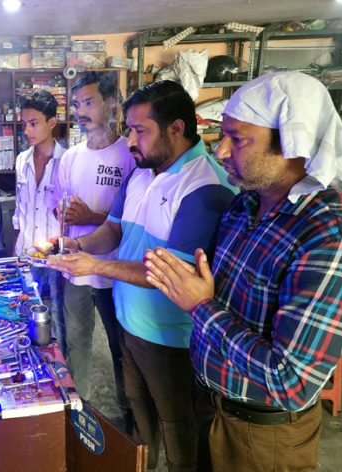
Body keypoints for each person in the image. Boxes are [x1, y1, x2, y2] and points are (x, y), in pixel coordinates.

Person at [143, 71, 342, 472]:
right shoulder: (244, 207)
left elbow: (292, 382)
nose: (220, 151)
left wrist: (200, 306)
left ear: (293, 142)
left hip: (264, 436)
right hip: (210, 404)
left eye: (237, 139)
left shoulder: (329, 233)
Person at [49, 79, 238, 471]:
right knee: (141, 421)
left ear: (176, 129)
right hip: (129, 327)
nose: (131, 140)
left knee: (181, 431)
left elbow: (172, 274)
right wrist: (77, 247)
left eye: (140, 130)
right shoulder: (140, 173)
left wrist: (97, 267)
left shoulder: (205, 186)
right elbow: (113, 231)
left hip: (172, 340)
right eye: (130, 129)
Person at [52, 71, 135, 431]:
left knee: (121, 350)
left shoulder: (129, 156)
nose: (81, 111)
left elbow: (129, 220)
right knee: (77, 342)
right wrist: (64, 216)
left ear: (111, 103)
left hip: (115, 270)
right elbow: (61, 206)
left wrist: (91, 216)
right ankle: (79, 411)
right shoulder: (71, 156)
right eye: (77, 105)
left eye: (89, 103)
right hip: (77, 268)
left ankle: (129, 416)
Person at [12, 89, 67, 353]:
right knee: (27, 313)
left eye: (34, 124)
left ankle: (61, 371)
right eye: (25, 124)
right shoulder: (22, 160)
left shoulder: (67, 161)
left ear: (52, 123)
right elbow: (19, 209)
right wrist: (17, 246)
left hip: (57, 257)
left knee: (58, 318)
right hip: (26, 254)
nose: (27, 130)